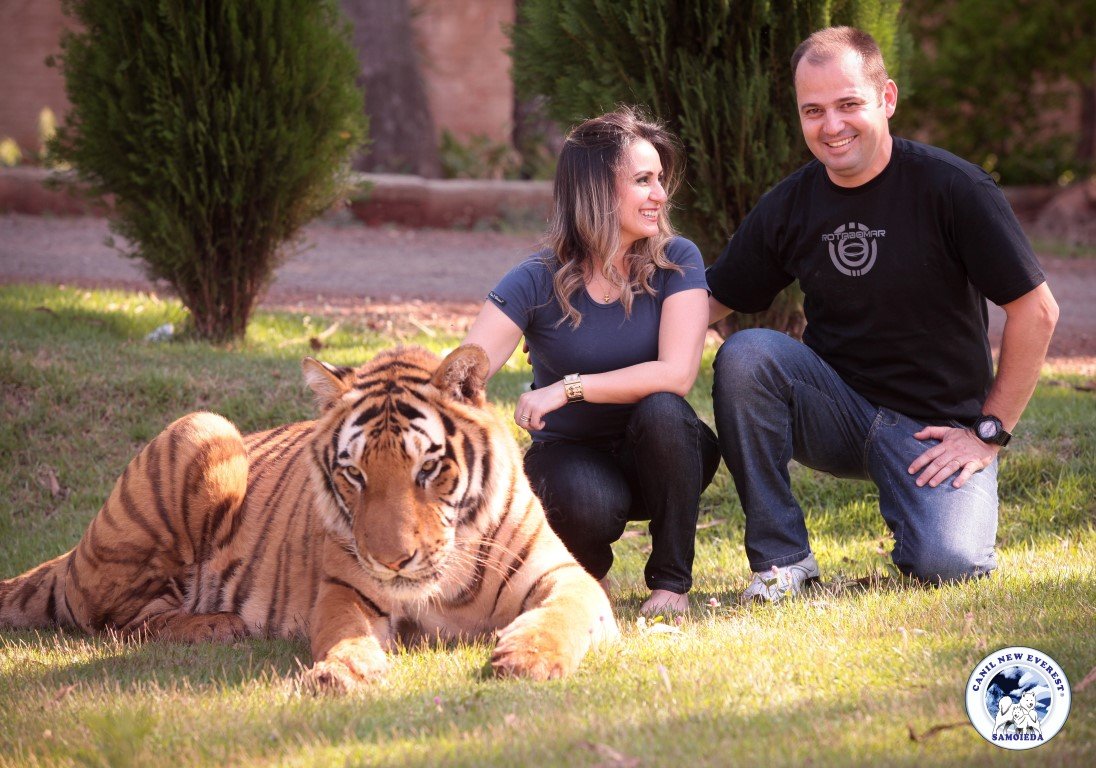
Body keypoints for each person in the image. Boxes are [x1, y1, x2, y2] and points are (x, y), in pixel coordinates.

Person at [706, 27, 1059, 601]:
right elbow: (709, 300)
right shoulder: (791, 204)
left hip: (936, 430)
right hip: (835, 411)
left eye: (849, 104)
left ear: (887, 98)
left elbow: (1036, 311)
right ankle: (783, 562)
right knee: (746, 355)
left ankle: (923, 524)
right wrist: (604, 336)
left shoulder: (954, 188)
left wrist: (989, 433)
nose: (832, 126)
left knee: (949, 564)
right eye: (813, 111)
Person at [463, 106, 720, 615]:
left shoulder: (677, 261)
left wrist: (566, 388)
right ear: (597, 190)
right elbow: (466, 372)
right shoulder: (536, 278)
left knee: (664, 410)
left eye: (660, 179)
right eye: (643, 181)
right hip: (572, 460)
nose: (660, 195)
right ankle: (587, 576)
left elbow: (676, 374)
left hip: (663, 459)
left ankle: (671, 584)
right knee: (582, 496)